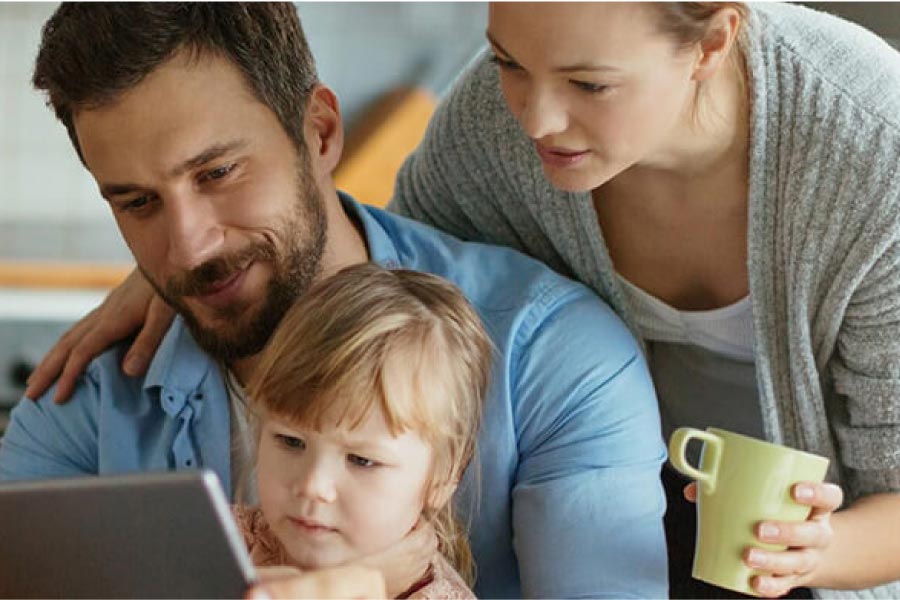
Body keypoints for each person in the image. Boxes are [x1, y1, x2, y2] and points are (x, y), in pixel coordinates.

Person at [26, 2, 900, 598]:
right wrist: (177, 272)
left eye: (219, 173)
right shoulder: (93, 385)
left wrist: (826, 553)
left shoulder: (868, 153)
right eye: (136, 202)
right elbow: (391, 302)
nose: (538, 121)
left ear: (321, 133)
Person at [235, 262, 491, 599]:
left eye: (361, 460)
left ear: (444, 477)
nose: (313, 486)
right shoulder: (222, 541)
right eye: (291, 441)